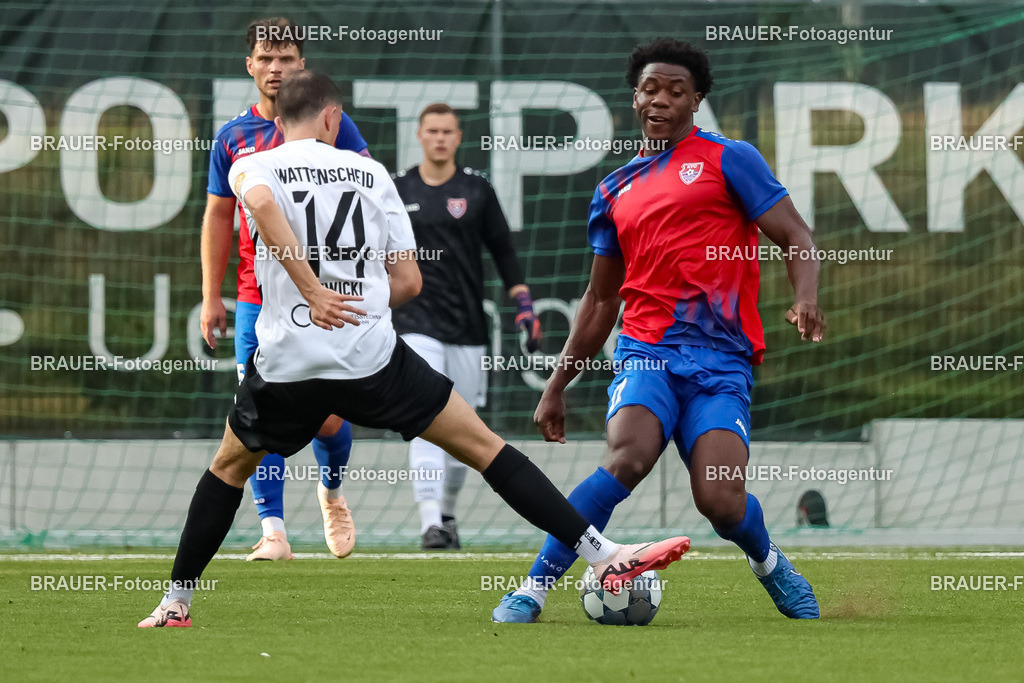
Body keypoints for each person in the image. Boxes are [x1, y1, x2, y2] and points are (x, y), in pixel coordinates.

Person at [138, 71, 691, 628]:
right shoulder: (372, 174)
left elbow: (257, 204)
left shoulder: (254, 162)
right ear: (334, 118)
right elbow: (408, 283)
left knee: (228, 469)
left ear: (278, 124)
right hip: (372, 359)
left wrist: (309, 292)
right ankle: (605, 554)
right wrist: (356, 300)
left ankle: (176, 602)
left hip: (290, 365)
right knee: (487, 449)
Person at [492, 38, 826, 623]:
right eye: (651, 89)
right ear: (635, 98)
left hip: (722, 361)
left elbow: (798, 237)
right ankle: (533, 589)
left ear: (696, 100)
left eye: (676, 91)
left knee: (720, 501)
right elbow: (599, 301)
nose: (661, 100)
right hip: (647, 351)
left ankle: (770, 562)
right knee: (627, 457)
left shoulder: (731, 159)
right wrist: (556, 386)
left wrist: (804, 298)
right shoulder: (613, 189)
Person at [201, 17, 367, 561]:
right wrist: (210, 294)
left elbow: (367, 196)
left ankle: (332, 492)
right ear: (249, 65)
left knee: (330, 417)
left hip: (328, 294)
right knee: (261, 412)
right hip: (258, 301)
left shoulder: (334, 127)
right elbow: (218, 218)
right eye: (266, 58)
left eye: (286, 58)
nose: (276, 68)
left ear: (303, 66)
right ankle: (273, 530)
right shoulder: (233, 138)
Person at [392, 103, 542, 550]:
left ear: (459, 138)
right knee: (425, 418)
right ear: (419, 135)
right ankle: (430, 523)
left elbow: (504, 253)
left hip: (468, 327)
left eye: (448, 131)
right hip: (415, 322)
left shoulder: (476, 190)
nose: (439, 138)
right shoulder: (397, 189)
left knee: (463, 430)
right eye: (432, 131)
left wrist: (525, 306)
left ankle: (448, 513)